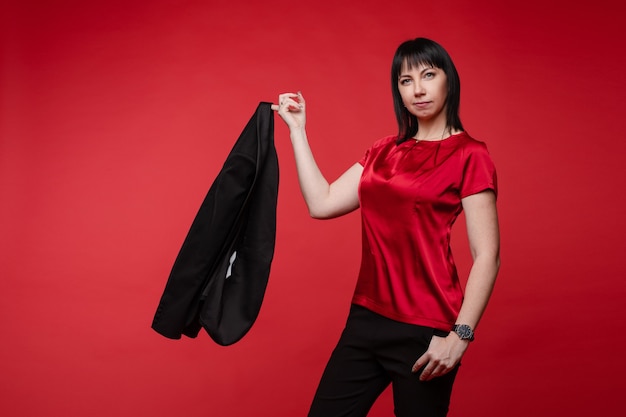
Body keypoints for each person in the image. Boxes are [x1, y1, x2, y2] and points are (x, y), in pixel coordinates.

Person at [272, 37, 500, 417]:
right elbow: (322, 203)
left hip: (427, 332)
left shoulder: (470, 154)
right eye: (406, 80)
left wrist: (459, 338)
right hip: (366, 318)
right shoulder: (383, 151)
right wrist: (298, 131)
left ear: (449, 81)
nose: (419, 89)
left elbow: (487, 255)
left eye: (429, 75)